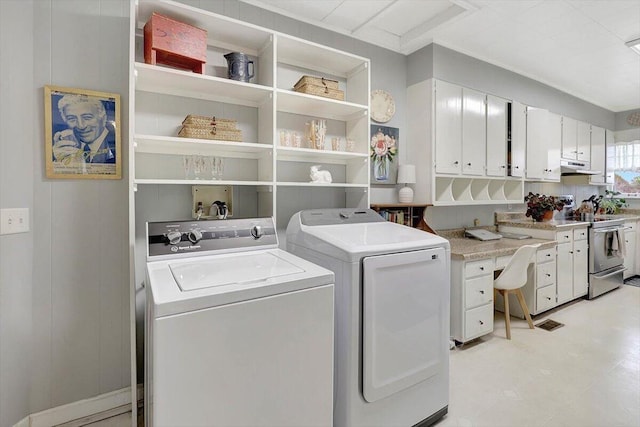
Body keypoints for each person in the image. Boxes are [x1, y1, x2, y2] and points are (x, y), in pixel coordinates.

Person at [52, 95, 116, 164]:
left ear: (103, 118)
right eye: (72, 119)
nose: (81, 126)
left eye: (87, 117)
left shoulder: (116, 147)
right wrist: (58, 163)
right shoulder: (64, 145)